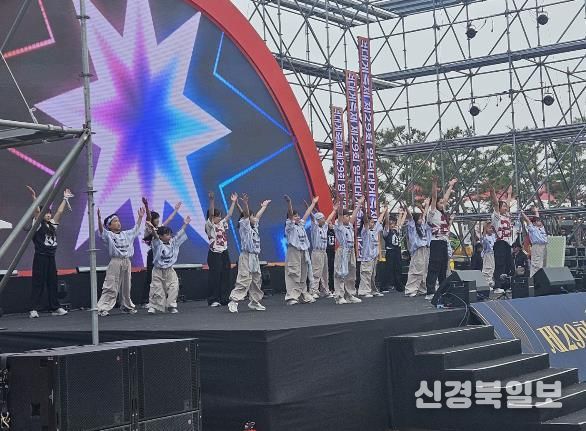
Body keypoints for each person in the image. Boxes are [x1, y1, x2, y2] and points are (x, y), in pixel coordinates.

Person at [26, 186, 73, 318]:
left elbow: (59, 212)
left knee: (52, 282)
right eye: (45, 213)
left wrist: (65, 199)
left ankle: (55, 307)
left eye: (49, 213)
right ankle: (33, 309)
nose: (48, 215)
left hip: (50, 257)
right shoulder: (37, 224)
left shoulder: (52, 225)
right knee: (38, 282)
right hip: (40, 257)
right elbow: (37, 211)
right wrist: (34, 197)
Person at [97, 207, 145, 316]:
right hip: (116, 261)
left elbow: (136, 229)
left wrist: (140, 217)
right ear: (109, 225)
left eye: (118, 221)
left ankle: (126, 306)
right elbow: (101, 231)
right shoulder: (109, 235)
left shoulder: (126, 234)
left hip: (127, 261)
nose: (118, 223)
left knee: (126, 286)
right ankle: (102, 308)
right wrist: (99, 219)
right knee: (111, 285)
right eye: (115, 221)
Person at [228, 195, 271, 313]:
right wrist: (245, 204)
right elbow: (246, 215)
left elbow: (257, 216)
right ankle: (234, 301)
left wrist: (264, 207)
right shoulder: (244, 226)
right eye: (252, 216)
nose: (254, 217)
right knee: (244, 279)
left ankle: (254, 301)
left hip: (254, 257)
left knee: (256, 280)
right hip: (246, 256)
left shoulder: (254, 226)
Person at [140, 197, 182, 308]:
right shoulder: (149, 228)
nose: (158, 220)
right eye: (156, 219)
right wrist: (146, 206)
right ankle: (146, 300)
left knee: (162, 279)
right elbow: (148, 217)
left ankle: (161, 300)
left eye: (158, 218)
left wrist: (176, 210)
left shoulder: (160, 229)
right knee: (150, 277)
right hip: (152, 254)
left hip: (161, 254)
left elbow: (169, 219)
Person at [145, 216, 191, 314]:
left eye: (170, 234)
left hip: (169, 270)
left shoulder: (173, 242)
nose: (170, 236)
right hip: (158, 270)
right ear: (161, 236)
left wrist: (185, 224)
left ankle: (171, 306)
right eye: (167, 234)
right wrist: (152, 230)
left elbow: (179, 234)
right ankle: (153, 307)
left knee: (174, 286)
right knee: (156, 288)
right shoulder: (157, 243)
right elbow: (156, 237)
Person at [425, 176, 457, 300]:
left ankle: (442, 290)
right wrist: (434, 183)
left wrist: (451, 185)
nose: (442, 204)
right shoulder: (433, 212)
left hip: (443, 242)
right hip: (436, 242)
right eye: (440, 203)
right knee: (434, 267)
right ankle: (430, 291)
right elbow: (434, 197)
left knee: (443, 267)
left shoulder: (443, 213)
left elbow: (446, 198)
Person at [284, 195, 319, 305]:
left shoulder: (300, 225)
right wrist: (289, 203)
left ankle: (303, 294)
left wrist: (313, 204)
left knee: (303, 273)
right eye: (295, 216)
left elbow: (307, 214)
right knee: (294, 273)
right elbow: (290, 215)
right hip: (294, 251)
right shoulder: (290, 226)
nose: (298, 217)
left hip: (303, 252)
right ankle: (292, 296)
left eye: (298, 215)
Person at [206, 191, 238, 307]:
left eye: (220, 216)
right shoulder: (210, 225)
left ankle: (224, 298)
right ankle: (214, 299)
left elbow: (229, 215)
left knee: (226, 275)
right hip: (214, 253)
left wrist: (233, 202)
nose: (219, 218)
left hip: (224, 252)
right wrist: (212, 200)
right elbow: (211, 214)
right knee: (215, 276)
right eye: (217, 216)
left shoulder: (221, 223)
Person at [333, 196, 365, 304]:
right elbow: (340, 215)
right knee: (340, 273)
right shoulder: (339, 225)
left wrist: (359, 204)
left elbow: (354, 216)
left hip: (351, 251)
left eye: (348, 216)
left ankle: (350, 295)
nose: (349, 217)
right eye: (346, 216)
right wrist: (341, 204)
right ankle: (339, 296)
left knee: (351, 273)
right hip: (343, 251)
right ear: (342, 217)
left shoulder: (349, 226)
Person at [357, 206, 388, 298]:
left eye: (373, 222)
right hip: (367, 257)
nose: (373, 224)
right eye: (371, 222)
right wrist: (364, 212)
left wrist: (384, 210)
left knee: (372, 275)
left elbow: (379, 220)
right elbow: (366, 222)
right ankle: (364, 291)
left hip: (374, 257)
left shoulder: (375, 230)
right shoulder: (364, 231)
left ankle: (373, 290)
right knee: (366, 274)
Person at [309, 204, 338, 299]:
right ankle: (313, 290)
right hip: (317, 252)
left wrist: (334, 210)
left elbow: (329, 219)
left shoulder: (325, 227)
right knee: (316, 272)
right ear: (317, 220)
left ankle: (325, 290)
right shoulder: (315, 228)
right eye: (322, 218)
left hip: (324, 252)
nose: (324, 220)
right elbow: (312, 218)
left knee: (325, 273)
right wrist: (310, 209)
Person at [489, 185, 515, 294]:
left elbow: (507, 204)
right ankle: (497, 286)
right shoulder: (496, 217)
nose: (506, 207)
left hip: (507, 244)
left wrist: (509, 194)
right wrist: (492, 192)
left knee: (509, 265)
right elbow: (495, 203)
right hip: (500, 243)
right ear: (499, 208)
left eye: (506, 206)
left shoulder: (507, 216)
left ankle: (506, 285)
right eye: (503, 206)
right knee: (500, 265)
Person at [404, 201, 432, 297]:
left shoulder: (422, 226)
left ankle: (422, 289)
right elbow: (410, 217)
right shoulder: (412, 227)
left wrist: (426, 206)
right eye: (419, 218)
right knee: (416, 269)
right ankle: (410, 289)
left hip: (425, 249)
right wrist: (406, 208)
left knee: (424, 270)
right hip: (418, 250)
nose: (421, 219)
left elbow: (425, 215)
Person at [381, 210, 407, 293]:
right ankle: (384, 286)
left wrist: (403, 213)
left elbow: (400, 223)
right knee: (388, 269)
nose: (392, 225)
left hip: (397, 250)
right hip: (390, 251)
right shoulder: (386, 232)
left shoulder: (396, 230)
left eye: (393, 224)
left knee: (398, 268)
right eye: (391, 224)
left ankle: (399, 286)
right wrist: (386, 213)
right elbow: (387, 223)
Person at [521, 207, 548, 278]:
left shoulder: (541, 227)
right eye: (538, 221)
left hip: (544, 246)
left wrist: (536, 211)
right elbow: (527, 220)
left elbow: (537, 218)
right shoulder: (532, 228)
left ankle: (542, 279)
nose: (540, 221)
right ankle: (534, 279)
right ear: (534, 223)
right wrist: (522, 213)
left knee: (543, 264)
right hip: (537, 246)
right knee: (536, 264)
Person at [480, 222, 496, 288]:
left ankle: (490, 283)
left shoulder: (493, 236)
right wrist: (484, 228)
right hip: (487, 254)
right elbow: (483, 241)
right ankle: (485, 284)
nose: (491, 229)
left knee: (492, 269)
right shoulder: (484, 236)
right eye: (489, 228)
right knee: (487, 269)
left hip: (493, 254)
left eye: (491, 228)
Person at [326, 222, 336, 293]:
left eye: (332, 224)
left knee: (333, 270)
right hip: (328, 251)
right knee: (329, 269)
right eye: (329, 224)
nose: (331, 225)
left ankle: (333, 287)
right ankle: (329, 287)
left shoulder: (334, 231)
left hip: (334, 251)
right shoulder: (326, 231)